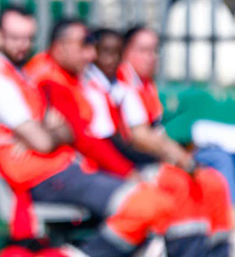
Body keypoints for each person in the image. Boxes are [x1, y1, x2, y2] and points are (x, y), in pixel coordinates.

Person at [0, 5, 183, 256]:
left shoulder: (21, 76)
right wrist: (53, 133)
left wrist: (52, 132)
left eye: (28, 38)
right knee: (148, 204)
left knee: (159, 203)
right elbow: (44, 141)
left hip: (60, 169)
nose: (23, 45)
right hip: (40, 177)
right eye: (15, 37)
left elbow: (63, 132)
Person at [29, 20, 223, 254]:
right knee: (157, 199)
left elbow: (85, 134)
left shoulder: (90, 80)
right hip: (63, 173)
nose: (92, 55)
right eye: (85, 46)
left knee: (199, 185)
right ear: (60, 46)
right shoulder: (51, 80)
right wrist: (130, 172)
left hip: (85, 168)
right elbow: (91, 140)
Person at [118, 26, 234, 253]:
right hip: (136, 164)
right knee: (187, 183)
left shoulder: (146, 85)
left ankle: (217, 249)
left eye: (154, 50)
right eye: (143, 50)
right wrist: (181, 159)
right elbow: (140, 136)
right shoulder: (124, 83)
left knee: (214, 181)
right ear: (126, 51)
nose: (151, 57)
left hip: (158, 160)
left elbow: (156, 132)